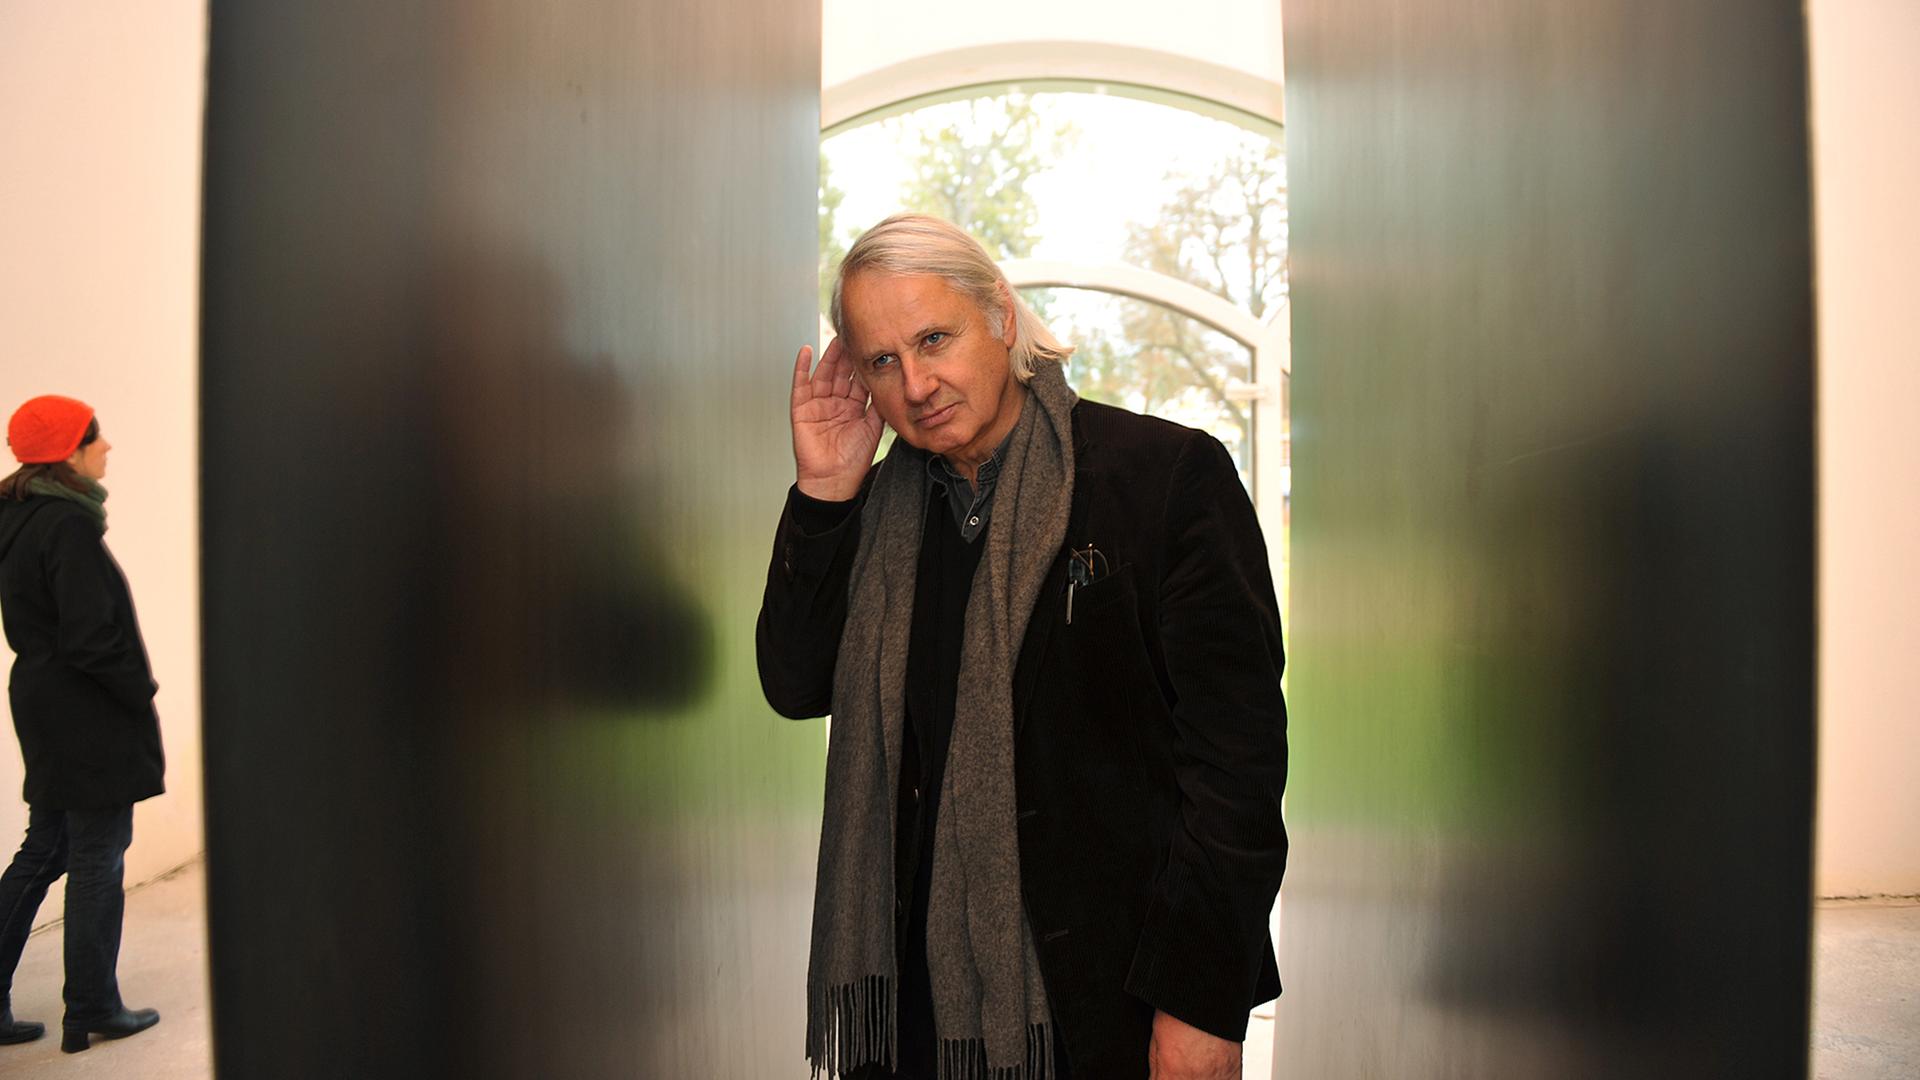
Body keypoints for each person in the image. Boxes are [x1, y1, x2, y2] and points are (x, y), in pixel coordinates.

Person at [757, 215, 1288, 1080]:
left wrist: (1200, 1003)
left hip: (1104, 1005)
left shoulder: (1163, 480)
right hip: (912, 1014)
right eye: (884, 361)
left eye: (935, 338)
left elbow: (1237, 771)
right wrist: (823, 493)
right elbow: (794, 680)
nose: (918, 383)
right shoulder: (880, 512)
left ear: (1000, 315)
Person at [0, 395, 164, 1053]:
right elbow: (91, 635)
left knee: (48, 847)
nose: (109, 447)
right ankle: (93, 1004)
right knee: (97, 851)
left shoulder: (18, 517)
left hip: (44, 702)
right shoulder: (66, 526)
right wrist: (139, 688)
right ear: (71, 451)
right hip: (85, 709)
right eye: (98, 437)